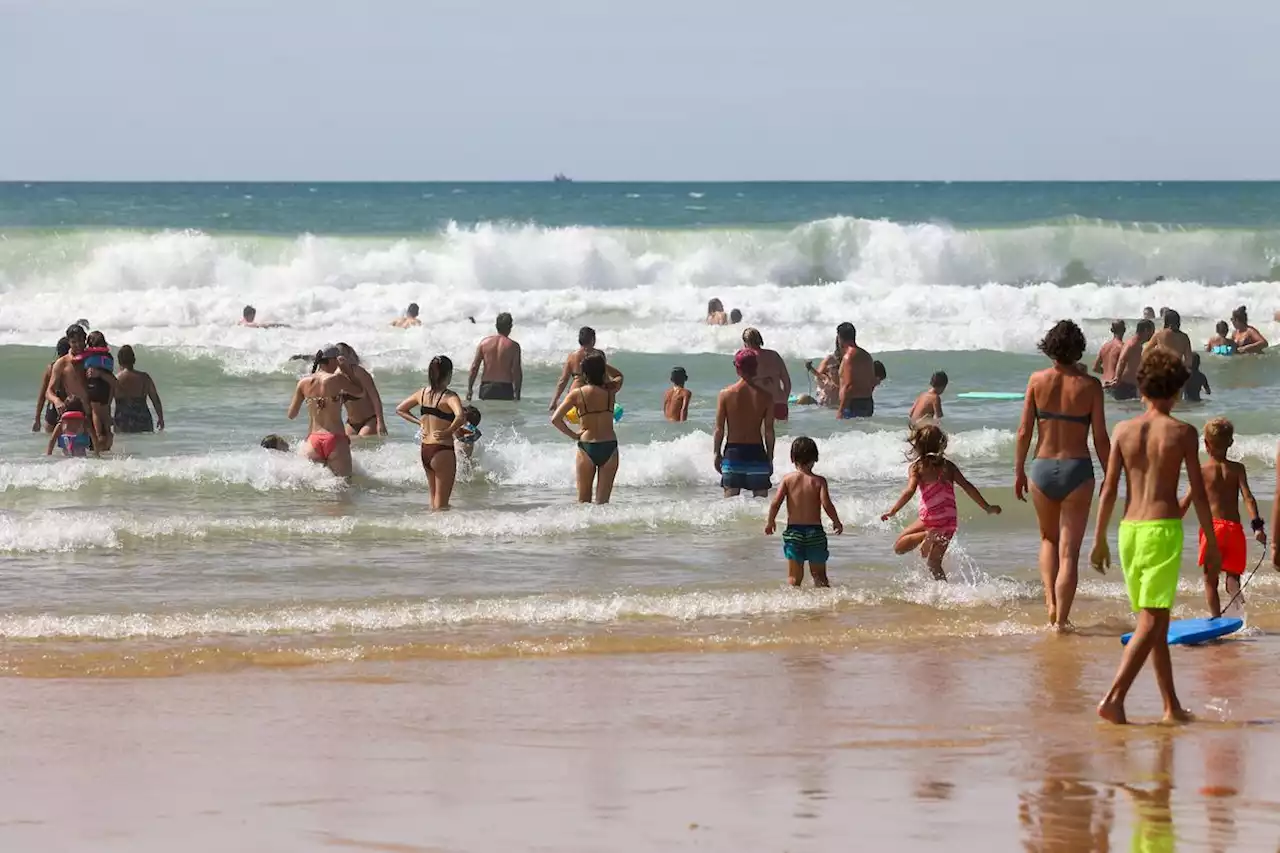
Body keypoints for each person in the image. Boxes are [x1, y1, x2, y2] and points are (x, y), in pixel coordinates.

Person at [1091, 347, 1220, 725]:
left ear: (1141, 388)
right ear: (1177, 390)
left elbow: (1110, 488)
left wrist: (1098, 537)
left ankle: (1171, 707)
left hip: (1128, 531)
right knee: (1152, 619)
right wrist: (1211, 543)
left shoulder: (1123, 430)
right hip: (1162, 530)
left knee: (1156, 621)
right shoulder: (1183, 432)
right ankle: (1114, 698)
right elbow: (1197, 490)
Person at [1015, 320, 1110, 631]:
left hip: (1041, 467)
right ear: (1078, 349)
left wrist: (1018, 471)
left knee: (1048, 539)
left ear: (1050, 347)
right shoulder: (1091, 386)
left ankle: (1050, 603)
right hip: (1077, 469)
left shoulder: (1036, 380)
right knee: (1069, 551)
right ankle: (1062, 619)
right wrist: (1110, 472)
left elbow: (1024, 431)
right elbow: (1100, 437)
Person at [881, 424, 1001, 581]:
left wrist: (893, 510)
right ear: (941, 443)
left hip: (930, 518)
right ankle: (945, 592)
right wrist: (987, 507)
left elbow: (909, 491)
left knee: (899, 547)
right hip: (949, 521)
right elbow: (967, 487)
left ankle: (927, 535)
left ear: (917, 445)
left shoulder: (917, 467)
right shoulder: (949, 466)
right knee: (934, 563)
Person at [1178, 419, 1265, 617]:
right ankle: (1239, 613)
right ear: (1231, 443)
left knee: (1210, 580)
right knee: (1233, 577)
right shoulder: (1237, 469)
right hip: (1234, 530)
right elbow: (1248, 498)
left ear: (1206, 444)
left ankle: (1216, 618)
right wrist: (1257, 526)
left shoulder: (1200, 472)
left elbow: (1185, 503)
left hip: (1213, 530)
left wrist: (1170, 522)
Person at [764, 436, 844, 587]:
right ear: (815, 458)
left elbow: (775, 503)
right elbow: (827, 504)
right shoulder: (819, 481)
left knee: (794, 578)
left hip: (794, 533)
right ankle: (824, 605)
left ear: (793, 458)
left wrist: (770, 521)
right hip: (815, 533)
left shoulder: (787, 479)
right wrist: (836, 521)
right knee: (820, 577)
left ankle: (795, 606)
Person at [551, 351, 622, 504]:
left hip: (587, 446)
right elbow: (619, 376)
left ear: (584, 373)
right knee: (603, 504)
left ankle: (586, 528)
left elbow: (555, 419)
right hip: (609, 445)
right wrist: (603, 364)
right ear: (602, 371)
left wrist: (573, 435)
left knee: (583, 502)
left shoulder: (577, 394)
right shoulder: (610, 390)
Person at [396, 355, 467, 509]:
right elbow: (460, 416)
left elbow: (400, 409)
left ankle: (430, 531)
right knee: (442, 506)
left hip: (426, 450)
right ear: (448, 374)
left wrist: (419, 422)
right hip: (442, 450)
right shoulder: (449, 396)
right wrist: (449, 431)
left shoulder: (422, 393)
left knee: (433, 502)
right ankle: (440, 532)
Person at [287, 346, 364, 478]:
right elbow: (360, 391)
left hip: (312, 441)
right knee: (344, 487)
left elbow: (291, 415)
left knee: (315, 489)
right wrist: (348, 371)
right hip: (335, 439)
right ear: (333, 360)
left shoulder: (303, 382)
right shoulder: (336, 379)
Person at [713, 350, 775, 498]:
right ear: (755, 368)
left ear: (737, 367)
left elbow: (719, 429)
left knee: (729, 507)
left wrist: (716, 453)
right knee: (760, 506)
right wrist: (770, 457)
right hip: (757, 453)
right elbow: (769, 431)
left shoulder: (725, 394)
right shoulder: (766, 397)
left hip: (733, 453)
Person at [467, 312, 523, 401]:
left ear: (496, 325)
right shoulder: (514, 346)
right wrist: (517, 392)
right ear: (510, 327)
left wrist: (470, 389)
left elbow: (474, 367)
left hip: (487, 388)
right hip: (505, 388)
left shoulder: (484, 343)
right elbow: (516, 371)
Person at [334, 343, 386, 437]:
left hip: (369, 420)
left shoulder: (359, 372)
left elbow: (375, 398)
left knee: (362, 442)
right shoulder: (335, 376)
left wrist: (380, 422)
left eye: (343, 356)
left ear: (348, 356)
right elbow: (336, 404)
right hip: (351, 423)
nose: (340, 359)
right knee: (348, 446)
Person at [741, 328, 792, 421]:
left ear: (745, 343)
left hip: (760, 405)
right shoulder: (774, 355)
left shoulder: (748, 359)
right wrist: (784, 400)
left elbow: (743, 385)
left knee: (760, 434)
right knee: (782, 435)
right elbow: (787, 382)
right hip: (780, 403)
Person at [46, 325, 89, 433]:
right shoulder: (62, 363)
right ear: (69, 342)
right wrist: (57, 401)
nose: (78, 345)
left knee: (99, 448)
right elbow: (49, 391)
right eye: (74, 342)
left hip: (91, 413)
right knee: (73, 448)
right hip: (74, 413)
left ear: (85, 340)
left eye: (80, 341)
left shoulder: (92, 359)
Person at [113, 345, 165, 433]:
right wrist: (160, 418)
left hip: (122, 421)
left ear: (119, 361)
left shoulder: (115, 379)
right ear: (134, 360)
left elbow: (106, 402)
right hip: (143, 420)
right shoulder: (145, 378)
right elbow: (155, 399)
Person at [80, 331, 117, 451]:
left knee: (95, 412)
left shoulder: (89, 357)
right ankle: (107, 433)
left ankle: (99, 436)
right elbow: (112, 380)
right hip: (105, 390)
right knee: (105, 412)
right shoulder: (108, 357)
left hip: (94, 387)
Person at [549, 326, 597, 411]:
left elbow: (563, 380)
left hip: (575, 393)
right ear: (593, 339)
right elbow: (604, 376)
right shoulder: (598, 355)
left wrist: (554, 400)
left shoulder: (572, 356)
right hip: (593, 393)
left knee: (574, 421)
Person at [835, 322, 877, 418]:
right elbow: (872, 381)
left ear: (839, 337)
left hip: (852, 404)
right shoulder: (866, 355)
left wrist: (841, 410)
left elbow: (849, 385)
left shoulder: (848, 357)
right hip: (867, 402)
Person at [33, 337, 70, 434]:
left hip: (53, 408)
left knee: (50, 440)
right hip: (70, 405)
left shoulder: (51, 368)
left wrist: (37, 418)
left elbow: (42, 395)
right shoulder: (74, 367)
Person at [1111, 319, 1155, 401]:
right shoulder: (1133, 344)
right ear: (1146, 330)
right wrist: (1117, 378)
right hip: (1125, 386)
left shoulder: (1138, 344)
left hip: (1130, 386)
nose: (1153, 334)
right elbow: (1122, 360)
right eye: (1152, 331)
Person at [1092, 320, 1126, 386]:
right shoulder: (1122, 347)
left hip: (1103, 383)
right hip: (1114, 384)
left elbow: (1095, 368)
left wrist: (1106, 372)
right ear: (1124, 330)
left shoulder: (1104, 346)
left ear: (1111, 330)